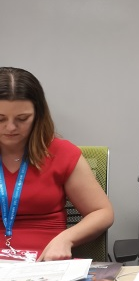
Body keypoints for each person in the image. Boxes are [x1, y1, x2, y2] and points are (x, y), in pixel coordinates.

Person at [0, 67, 114, 261]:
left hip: (45, 265)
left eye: (22, 118)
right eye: (0, 118)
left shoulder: (61, 153)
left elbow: (102, 212)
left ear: (38, 115)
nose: (11, 127)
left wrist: (66, 238)